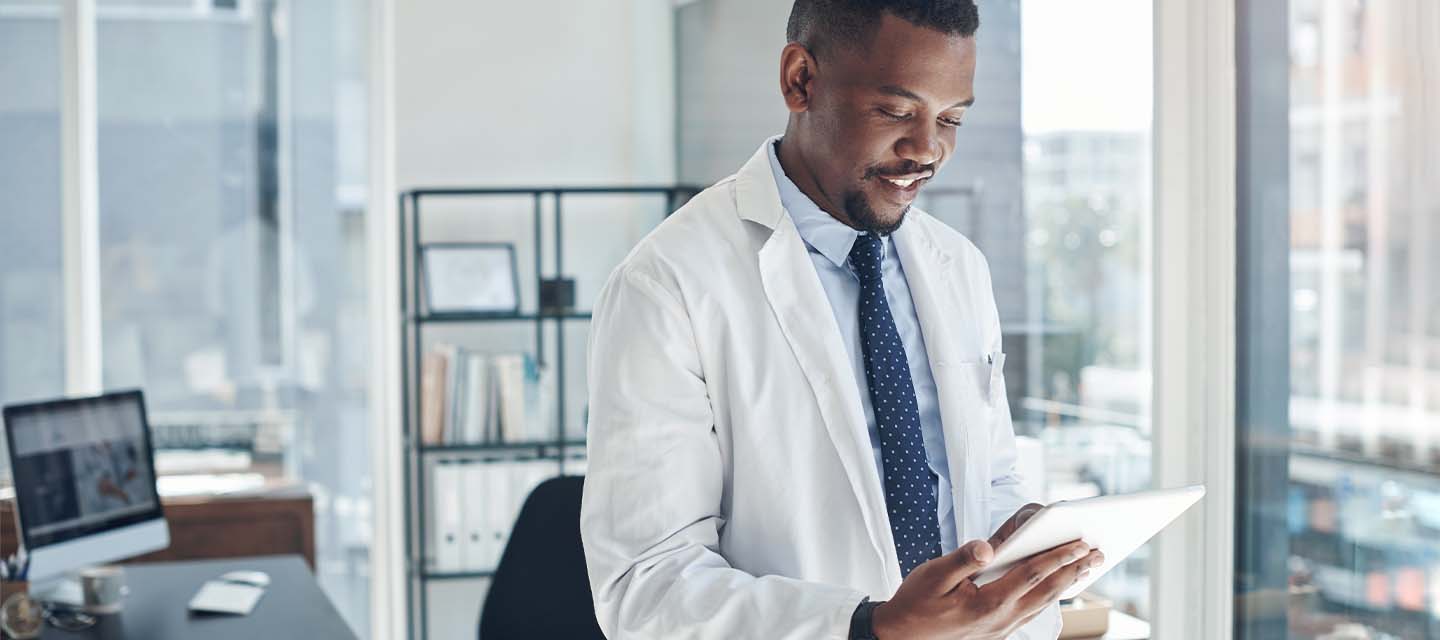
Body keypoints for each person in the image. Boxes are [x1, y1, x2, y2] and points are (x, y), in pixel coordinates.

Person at [580, 1, 1103, 637]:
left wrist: (1023, 540)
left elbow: (985, 477)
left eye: (950, 119)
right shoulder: (667, 285)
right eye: (896, 111)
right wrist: (869, 627)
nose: (927, 150)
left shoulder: (958, 266)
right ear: (800, 79)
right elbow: (646, 583)